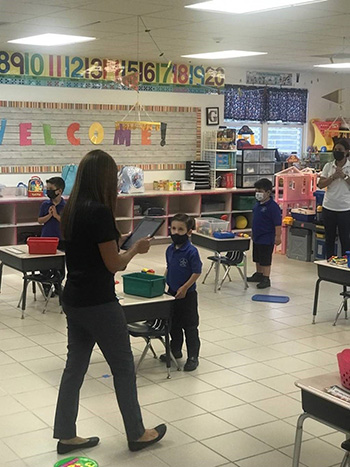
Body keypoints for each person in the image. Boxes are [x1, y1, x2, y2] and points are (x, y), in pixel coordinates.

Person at [53, 150, 166, 455]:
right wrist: (136, 250)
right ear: (103, 177)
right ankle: (137, 433)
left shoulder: (73, 208)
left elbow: (95, 248)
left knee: (74, 368)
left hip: (74, 297)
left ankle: (65, 434)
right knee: (123, 367)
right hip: (99, 302)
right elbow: (114, 264)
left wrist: (124, 238)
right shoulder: (101, 212)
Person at [160, 213, 202, 371]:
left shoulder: (191, 251)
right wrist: (162, 282)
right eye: (174, 229)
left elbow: (196, 272)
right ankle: (175, 350)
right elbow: (169, 267)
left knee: (190, 327)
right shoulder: (170, 249)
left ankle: (193, 357)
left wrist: (185, 287)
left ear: (189, 232)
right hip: (172, 293)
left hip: (188, 295)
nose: (176, 232)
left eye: (181, 229)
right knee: (173, 325)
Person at [318, 139, 350, 259]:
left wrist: (344, 176)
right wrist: (333, 176)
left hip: (345, 208)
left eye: (340, 150)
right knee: (329, 238)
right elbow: (320, 184)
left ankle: (346, 265)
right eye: (335, 150)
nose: (337, 152)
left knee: (345, 239)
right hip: (329, 207)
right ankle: (329, 262)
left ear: (346, 152)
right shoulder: (328, 166)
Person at [247, 178, 282, 289]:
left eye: (260, 191)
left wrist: (278, 236)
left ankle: (266, 278)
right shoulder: (257, 204)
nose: (258, 193)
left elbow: (277, 223)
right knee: (257, 257)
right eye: (256, 191)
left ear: (268, 192)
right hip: (257, 236)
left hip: (267, 238)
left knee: (265, 259)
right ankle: (259, 274)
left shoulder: (273, 207)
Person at [38, 176, 66, 295]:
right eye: (47, 188)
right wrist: (49, 216)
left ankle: (58, 285)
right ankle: (46, 286)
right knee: (45, 264)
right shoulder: (45, 204)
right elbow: (40, 220)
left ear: (59, 191)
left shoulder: (65, 206)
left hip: (60, 239)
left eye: (51, 189)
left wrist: (56, 215)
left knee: (59, 265)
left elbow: (67, 222)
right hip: (46, 238)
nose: (48, 191)